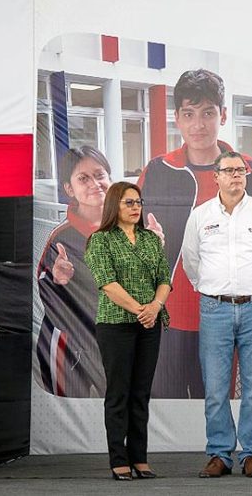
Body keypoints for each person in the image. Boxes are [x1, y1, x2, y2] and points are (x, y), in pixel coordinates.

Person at [138, 68, 252, 398]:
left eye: (207, 113)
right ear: (177, 118)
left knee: (216, 404)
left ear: (224, 115)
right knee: (167, 410)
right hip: (167, 316)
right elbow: (129, 235)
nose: (198, 125)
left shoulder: (250, 172)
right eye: (188, 114)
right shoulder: (157, 171)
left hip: (224, 316)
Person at [183, 151, 252, 479]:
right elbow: (190, 260)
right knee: (215, 387)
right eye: (228, 171)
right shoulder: (200, 216)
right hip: (214, 308)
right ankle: (219, 454)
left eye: (240, 170)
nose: (235, 176)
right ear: (215, 176)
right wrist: (212, 288)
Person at [84, 182, 171, 481]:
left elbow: (164, 278)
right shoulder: (101, 240)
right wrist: (140, 309)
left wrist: (155, 306)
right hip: (116, 325)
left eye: (138, 202)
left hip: (149, 324)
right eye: (128, 203)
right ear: (114, 206)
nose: (136, 208)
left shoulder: (150, 239)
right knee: (119, 393)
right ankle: (118, 459)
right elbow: (107, 283)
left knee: (141, 394)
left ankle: (140, 458)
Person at [36, 147, 117, 397]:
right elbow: (45, 291)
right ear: (69, 189)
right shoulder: (62, 237)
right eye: (83, 178)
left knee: (118, 408)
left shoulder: (131, 231)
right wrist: (57, 280)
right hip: (68, 344)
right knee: (71, 418)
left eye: (100, 174)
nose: (95, 184)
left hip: (114, 341)